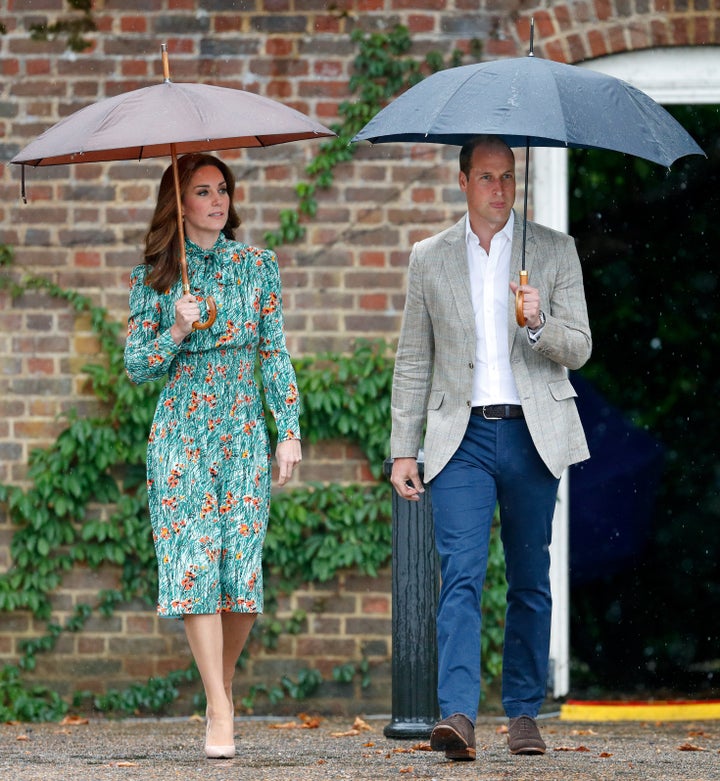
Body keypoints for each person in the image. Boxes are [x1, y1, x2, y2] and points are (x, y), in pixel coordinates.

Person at [389, 135, 591, 760]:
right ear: (462, 181)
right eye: (486, 177)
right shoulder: (430, 257)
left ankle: (525, 713)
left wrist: (538, 322)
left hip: (534, 434)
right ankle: (457, 715)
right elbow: (413, 359)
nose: (499, 189)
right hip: (462, 438)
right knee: (462, 579)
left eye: (508, 176)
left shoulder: (553, 251)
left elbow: (579, 347)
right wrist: (404, 448)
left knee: (530, 577)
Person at [124, 152, 301, 759]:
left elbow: (274, 354)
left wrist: (290, 430)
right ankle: (221, 710)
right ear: (180, 204)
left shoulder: (257, 267)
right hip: (181, 435)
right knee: (196, 565)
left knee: (240, 579)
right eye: (203, 191)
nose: (218, 200)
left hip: (242, 432)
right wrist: (173, 329)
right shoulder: (154, 276)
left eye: (222, 189)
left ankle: (215, 691)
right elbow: (136, 367)